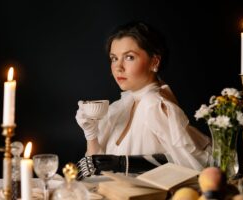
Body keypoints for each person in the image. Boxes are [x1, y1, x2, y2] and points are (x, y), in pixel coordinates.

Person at [75, 21, 211, 179]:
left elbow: (192, 169)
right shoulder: (120, 107)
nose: (118, 67)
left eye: (129, 57)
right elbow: (96, 174)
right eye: (114, 58)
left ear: (154, 62)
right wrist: (91, 134)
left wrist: (123, 163)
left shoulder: (154, 105)